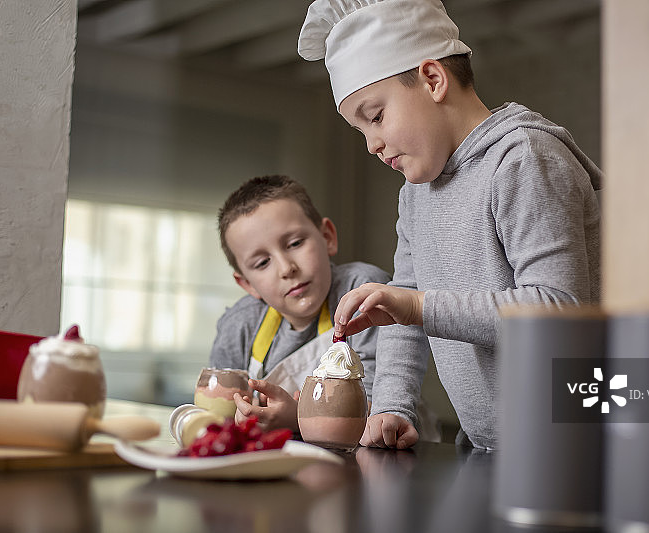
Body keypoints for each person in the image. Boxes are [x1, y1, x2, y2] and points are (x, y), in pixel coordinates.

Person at [298, 0, 602, 450]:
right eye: (361, 131)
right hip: (487, 446)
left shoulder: (523, 160)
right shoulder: (415, 194)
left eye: (375, 117)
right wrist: (392, 405)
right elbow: (404, 304)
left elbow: (558, 311)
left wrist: (418, 306)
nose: (371, 145)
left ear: (433, 80)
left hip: (573, 448)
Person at [210, 176, 443, 439]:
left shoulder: (363, 292)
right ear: (247, 284)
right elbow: (217, 410)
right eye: (262, 263)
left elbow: (375, 410)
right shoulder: (239, 325)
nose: (287, 268)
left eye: (295, 244)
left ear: (327, 237)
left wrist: (298, 417)